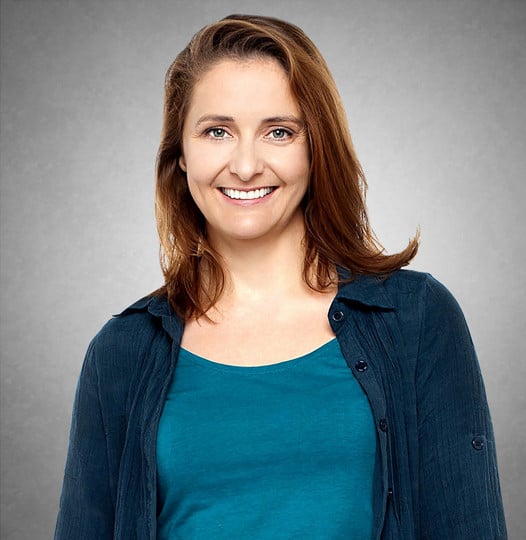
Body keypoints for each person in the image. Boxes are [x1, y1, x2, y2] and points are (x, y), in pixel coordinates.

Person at [54, 14, 507, 540]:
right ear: (181, 155)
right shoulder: (121, 353)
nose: (246, 166)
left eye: (279, 132)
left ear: (316, 149)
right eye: (217, 131)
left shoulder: (417, 319)